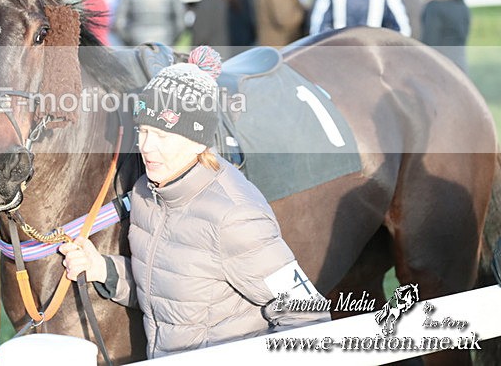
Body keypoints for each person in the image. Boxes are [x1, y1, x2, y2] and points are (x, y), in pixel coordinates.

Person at [59, 47, 330, 359]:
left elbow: (308, 317)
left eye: (163, 135)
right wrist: (102, 268)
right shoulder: (147, 194)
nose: (147, 147)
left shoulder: (236, 217)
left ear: (199, 141)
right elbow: (165, 287)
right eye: (144, 131)